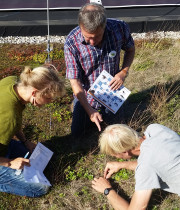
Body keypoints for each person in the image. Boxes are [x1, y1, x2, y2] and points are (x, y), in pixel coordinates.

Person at [64, 3, 135, 138]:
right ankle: (83, 110)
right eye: (87, 37)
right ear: (80, 26)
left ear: (104, 26)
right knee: (77, 134)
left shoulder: (119, 28)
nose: (92, 42)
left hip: (111, 92)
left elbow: (130, 50)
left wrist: (123, 72)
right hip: (86, 95)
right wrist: (90, 111)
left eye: (96, 36)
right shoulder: (71, 42)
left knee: (119, 132)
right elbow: (75, 82)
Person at [0, 65, 64, 197]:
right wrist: (9, 163)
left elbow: (14, 121)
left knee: (34, 159)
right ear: (34, 93)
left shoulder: (12, 82)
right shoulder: (9, 117)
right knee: (41, 188)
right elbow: (11, 120)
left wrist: (24, 141)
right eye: (48, 98)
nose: (49, 102)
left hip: (3, 142)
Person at [92, 123, 180, 209]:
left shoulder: (145, 167)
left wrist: (107, 190)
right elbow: (157, 160)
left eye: (115, 155)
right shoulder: (155, 129)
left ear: (124, 152)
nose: (118, 158)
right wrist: (122, 165)